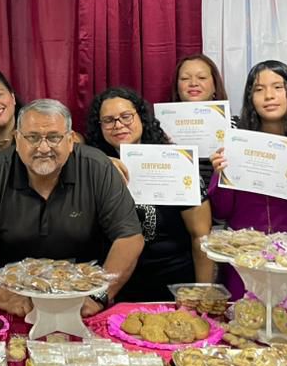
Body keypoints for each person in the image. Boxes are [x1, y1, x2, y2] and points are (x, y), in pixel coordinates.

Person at [0, 99, 144, 318]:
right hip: (11, 297)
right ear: (17, 139)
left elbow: (129, 237)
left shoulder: (98, 167)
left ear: (70, 140)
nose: (43, 148)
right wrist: (5, 298)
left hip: (84, 295)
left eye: (54, 137)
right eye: (33, 137)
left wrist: (99, 295)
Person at [85, 87, 214, 299]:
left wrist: (203, 293)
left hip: (173, 285)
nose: (118, 125)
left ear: (141, 117)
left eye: (126, 116)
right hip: (113, 285)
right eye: (108, 120)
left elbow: (200, 236)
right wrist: (101, 163)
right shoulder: (91, 166)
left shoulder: (177, 162)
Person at [208, 60, 287, 301]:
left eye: (278, 87)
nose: (269, 96)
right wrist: (221, 174)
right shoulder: (237, 143)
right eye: (259, 89)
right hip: (243, 259)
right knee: (244, 320)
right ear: (250, 98)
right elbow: (221, 211)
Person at [170, 52, 236, 188]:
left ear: (215, 85)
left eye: (202, 77)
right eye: (185, 78)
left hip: (223, 193)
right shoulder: (160, 127)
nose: (193, 83)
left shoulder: (236, 126)